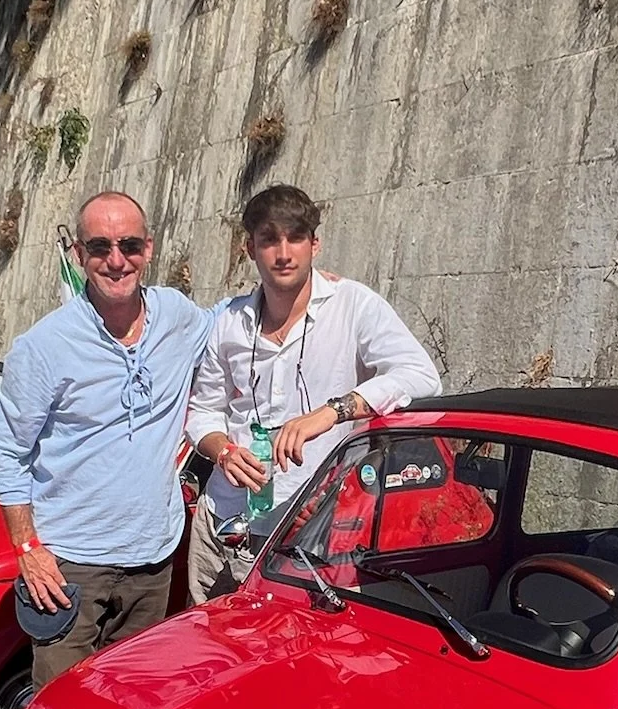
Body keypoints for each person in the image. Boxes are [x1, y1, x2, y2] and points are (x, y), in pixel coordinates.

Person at [0, 190, 214, 688]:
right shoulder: (44, 347)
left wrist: (299, 289)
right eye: (100, 247)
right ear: (79, 254)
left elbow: (235, 329)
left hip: (153, 562)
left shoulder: (177, 316)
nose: (116, 260)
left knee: (131, 705)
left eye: (129, 245)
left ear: (149, 249)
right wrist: (27, 546)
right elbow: (6, 451)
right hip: (71, 569)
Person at [185, 183, 440, 601]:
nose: (283, 253)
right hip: (224, 523)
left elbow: (420, 375)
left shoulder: (354, 305)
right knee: (212, 652)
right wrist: (223, 451)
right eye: (269, 240)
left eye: (295, 238)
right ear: (250, 248)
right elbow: (204, 411)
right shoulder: (229, 322)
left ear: (314, 244)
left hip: (314, 528)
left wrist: (332, 411)